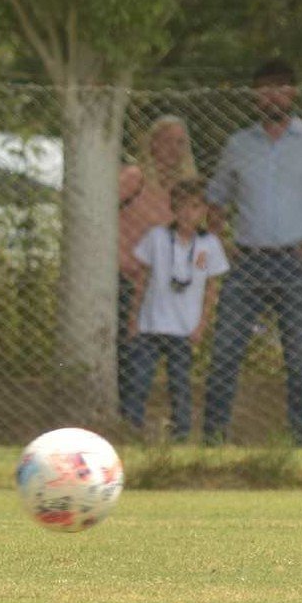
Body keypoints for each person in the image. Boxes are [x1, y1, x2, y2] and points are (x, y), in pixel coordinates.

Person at [203, 60, 302, 446]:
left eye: (280, 88)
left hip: (299, 264)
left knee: (300, 358)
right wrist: (223, 243)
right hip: (247, 263)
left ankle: (296, 443)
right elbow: (215, 202)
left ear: (293, 93)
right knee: (224, 353)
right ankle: (212, 441)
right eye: (264, 89)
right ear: (254, 95)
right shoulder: (238, 145)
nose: (272, 96)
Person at [123, 180, 227, 440]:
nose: (187, 214)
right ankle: (130, 430)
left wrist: (202, 324)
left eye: (194, 207)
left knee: (180, 383)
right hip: (151, 324)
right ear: (173, 208)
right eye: (181, 207)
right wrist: (133, 318)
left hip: (184, 327)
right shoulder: (157, 237)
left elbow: (212, 288)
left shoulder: (210, 244)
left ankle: (180, 434)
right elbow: (141, 278)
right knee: (139, 380)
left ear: (203, 210)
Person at [117, 116, 198, 424]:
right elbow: (101, 216)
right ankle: (125, 420)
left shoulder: (184, 190)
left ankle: (149, 422)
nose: (172, 148)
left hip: (163, 288)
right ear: (151, 144)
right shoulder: (134, 179)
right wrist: (122, 259)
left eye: (179, 142)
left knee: (153, 358)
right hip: (124, 277)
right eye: (165, 140)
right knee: (124, 351)